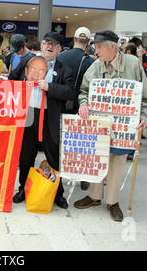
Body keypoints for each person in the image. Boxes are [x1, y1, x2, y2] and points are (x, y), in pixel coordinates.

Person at [74, 30, 147, 222]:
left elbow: (146, 96)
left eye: (99, 47)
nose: (96, 51)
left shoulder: (133, 64)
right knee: (97, 158)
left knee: (117, 161)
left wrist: (144, 116)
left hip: (123, 126)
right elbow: (84, 91)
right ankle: (94, 196)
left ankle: (112, 201)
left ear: (112, 46)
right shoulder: (95, 66)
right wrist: (84, 103)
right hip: (100, 124)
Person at [9, 32, 75, 209]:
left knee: (53, 156)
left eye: (54, 44)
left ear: (60, 49)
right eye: (46, 43)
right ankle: (23, 188)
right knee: (26, 155)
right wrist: (24, 84)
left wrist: (50, 87)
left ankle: (57, 193)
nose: (49, 46)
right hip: (29, 114)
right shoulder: (28, 62)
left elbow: (70, 93)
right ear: (42, 45)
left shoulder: (65, 70)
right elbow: (11, 80)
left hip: (49, 117)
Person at [56, 26, 95, 191]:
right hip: (83, 108)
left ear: (73, 40)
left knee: (63, 141)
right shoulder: (92, 62)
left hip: (61, 104)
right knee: (83, 142)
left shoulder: (60, 56)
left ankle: (63, 170)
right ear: (88, 42)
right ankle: (83, 176)